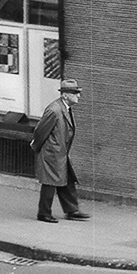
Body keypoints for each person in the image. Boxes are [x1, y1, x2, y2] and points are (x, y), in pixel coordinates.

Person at [31, 80, 87, 221]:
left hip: (60, 152)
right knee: (50, 182)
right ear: (65, 95)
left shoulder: (65, 108)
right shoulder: (54, 110)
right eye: (75, 93)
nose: (78, 96)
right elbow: (40, 131)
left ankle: (71, 210)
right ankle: (44, 213)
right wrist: (37, 147)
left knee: (67, 179)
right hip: (52, 153)